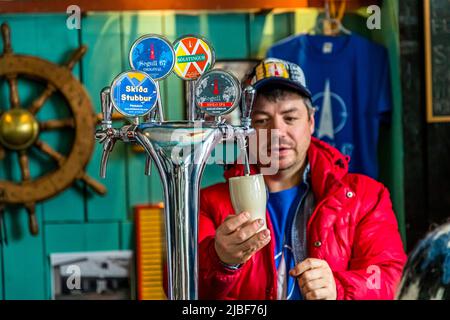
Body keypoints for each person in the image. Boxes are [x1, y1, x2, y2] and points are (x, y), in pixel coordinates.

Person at [198, 58, 407, 300]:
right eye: (262, 120)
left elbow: (391, 279)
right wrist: (220, 260)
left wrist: (338, 288)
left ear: (311, 122)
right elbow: (177, 286)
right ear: (245, 130)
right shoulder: (208, 203)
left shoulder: (366, 198)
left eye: (290, 118)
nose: (277, 133)